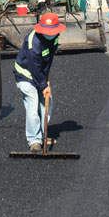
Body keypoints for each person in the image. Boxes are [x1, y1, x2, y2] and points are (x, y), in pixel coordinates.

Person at [13, 12, 66, 151]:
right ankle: (34, 140)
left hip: (40, 74)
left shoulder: (54, 37)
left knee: (47, 103)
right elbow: (34, 66)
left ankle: (43, 134)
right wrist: (43, 85)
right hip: (25, 74)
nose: (50, 33)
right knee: (33, 104)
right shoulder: (33, 42)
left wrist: (45, 80)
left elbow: (49, 58)